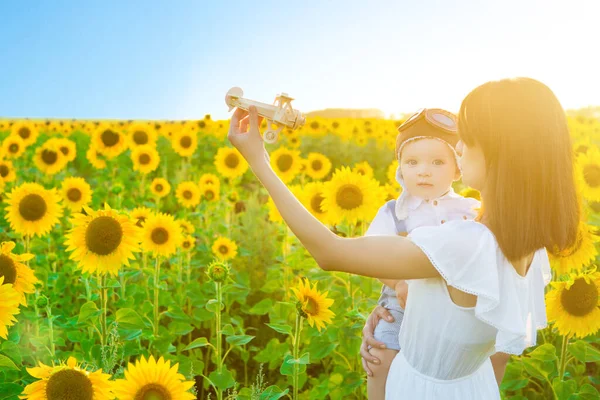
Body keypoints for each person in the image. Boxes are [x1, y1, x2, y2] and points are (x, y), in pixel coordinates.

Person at [227, 77, 579, 399]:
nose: (459, 148)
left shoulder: (465, 242)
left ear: (502, 151)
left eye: (468, 137)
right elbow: (495, 348)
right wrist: (407, 329)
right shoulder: (531, 244)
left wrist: (259, 160)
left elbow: (329, 251)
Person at [364, 108, 480, 399]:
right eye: (412, 162)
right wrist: (398, 282)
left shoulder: (470, 210)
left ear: (457, 169)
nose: (423, 170)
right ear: (400, 168)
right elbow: (372, 255)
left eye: (437, 162)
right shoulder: (394, 212)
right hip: (400, 307)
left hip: (451, 310)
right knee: (380, 361)